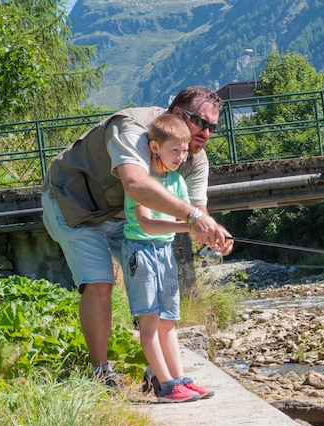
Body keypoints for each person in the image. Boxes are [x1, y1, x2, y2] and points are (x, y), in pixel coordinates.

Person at [41, 86, 234, 386]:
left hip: (125, 215)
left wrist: (214, 235)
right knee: (100, 282)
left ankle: (157, 375)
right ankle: (100, 373)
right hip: (72, 202)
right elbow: (135, 184)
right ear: (179, 114)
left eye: (213, 127)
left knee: (155, 285)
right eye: (202, 123)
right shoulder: (131, 127)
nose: (207, 133)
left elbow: (199, 212)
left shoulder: (194, 157)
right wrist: (193, 219)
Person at [122, 114, 212, 402]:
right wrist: (189, 225)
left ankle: (180, 379)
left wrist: (210, 233)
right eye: (174, 150)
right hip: (141, 251)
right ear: (154, 147)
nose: (181, 157)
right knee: (149, 323)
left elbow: (190, 218)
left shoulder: (176, 182)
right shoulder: (140, 183)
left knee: (168, 321)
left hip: (165, 252)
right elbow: (147, 225)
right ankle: (165, 386)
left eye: (184, 151)